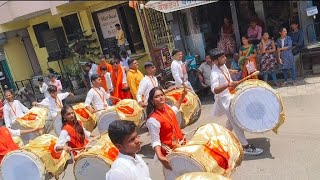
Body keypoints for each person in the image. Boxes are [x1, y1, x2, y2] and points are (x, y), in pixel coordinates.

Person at [209, 48, 263, 156]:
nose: (225, 58)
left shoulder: (221, 65)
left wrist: (231, 71)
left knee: (231, 123)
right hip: (224, 100)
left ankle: (221, 140)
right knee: (236, 122)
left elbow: (225, 70)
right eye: (222, 57)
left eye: (224, 56)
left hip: (230, 95)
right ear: (215, 61)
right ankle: (245, 146)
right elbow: (214, 90)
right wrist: (227, 84)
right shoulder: (214, 74)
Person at [146, 87, 188, 170]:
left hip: (181, 146)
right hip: (171, 153)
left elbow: (174, 110)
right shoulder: (153, 120)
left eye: (162, 95)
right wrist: (160, 156)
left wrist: (182, 96)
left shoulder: (166, 107)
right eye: (157, 96)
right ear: (152, 101)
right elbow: (155, 141)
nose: (161, 97)